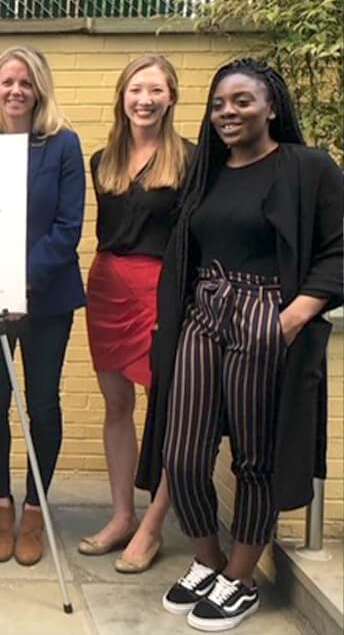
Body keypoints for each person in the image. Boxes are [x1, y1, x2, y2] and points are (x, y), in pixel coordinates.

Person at [136, 59, 342, 631]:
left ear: (271, 106)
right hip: (203, 312)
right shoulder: (209, 170)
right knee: (181, 452)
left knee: (255, 457)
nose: (228, 112)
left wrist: (292, 316)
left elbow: (338, 249)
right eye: (220, 103)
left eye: (243, 101)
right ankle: (209, 562)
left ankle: (243, 577)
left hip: (266, 313)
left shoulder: (308, 168)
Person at [0, 45, 85, 567]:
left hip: (47, 297)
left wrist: (22, 283)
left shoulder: (63, 145)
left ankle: (35, 509)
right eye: (6, 81)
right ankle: (1, 505)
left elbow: (68, 228)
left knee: (43, 404)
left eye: (26, 83)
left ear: (40, 89)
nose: (16, 91)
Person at [79, 55, 193, 573]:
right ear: (122, 96)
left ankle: (153, 525)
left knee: (166, 408)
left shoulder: (189, 159)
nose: (144, 100)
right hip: (106, 283)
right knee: (116, 405)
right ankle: (122, 516)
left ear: (171, 98)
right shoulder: (101, 159)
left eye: (155, 90)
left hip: (160, 289)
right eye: (135, 90)